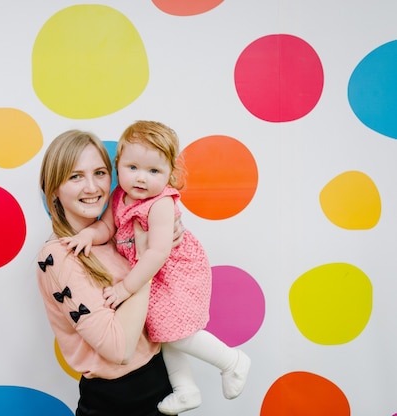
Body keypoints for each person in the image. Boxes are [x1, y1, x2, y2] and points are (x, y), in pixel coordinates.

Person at [61, 121, 251, 415]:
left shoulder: (160, 204)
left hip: (174, 272)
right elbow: (106, 226)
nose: (141, 179)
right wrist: (88, 235)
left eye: (154, 172)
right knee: (162, 331)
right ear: (118, 165)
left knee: (175, 332)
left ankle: (232, 361)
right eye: (133, 167)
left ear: (169, 175)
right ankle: (186, 389)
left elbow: (158, 252)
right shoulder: (119, 197)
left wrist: (125, 287)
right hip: (151, 273)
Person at [37, 129, 179, 416]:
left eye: (99, 173)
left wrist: (163, 241)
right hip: (115, 403)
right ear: (53, 189)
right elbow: (119, 350)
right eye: (75, 176)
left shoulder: (118, 233)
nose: (92, 187)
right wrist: (146, 263)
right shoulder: (57, 257)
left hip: (160, 385)